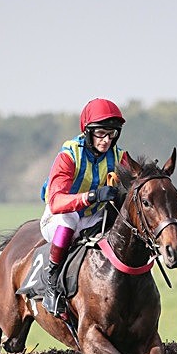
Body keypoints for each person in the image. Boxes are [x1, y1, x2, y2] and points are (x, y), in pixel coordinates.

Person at [39, 98, 128, 316]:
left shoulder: (119, 156)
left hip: (94, 216)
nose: (106, 140)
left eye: (112, 134)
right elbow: (57, 201)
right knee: (69, 220)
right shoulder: (69, 155)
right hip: (58, 216)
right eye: (100, 133)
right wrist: (93, 195)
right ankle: (52, 282)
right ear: (87, 131)